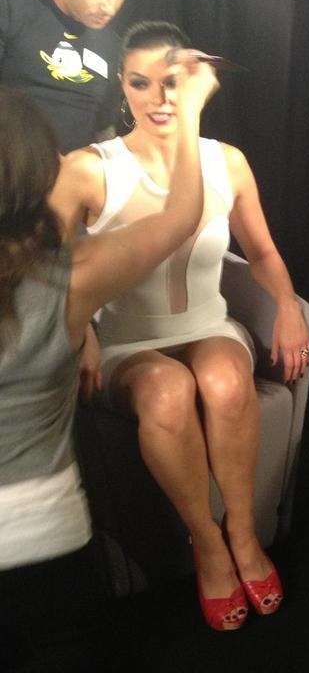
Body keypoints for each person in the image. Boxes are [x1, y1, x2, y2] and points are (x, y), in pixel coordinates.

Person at [50, 20, 309, 631]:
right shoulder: (88, 169)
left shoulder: (227, 162)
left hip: (208, 325)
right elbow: (50, 270)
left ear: (193, 82)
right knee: (168, 391)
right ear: (122, 85)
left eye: (171, 82)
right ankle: (209, 544)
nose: (158, 98)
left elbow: (262, 252)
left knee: (224, 381)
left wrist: (288, 305)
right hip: (127, 343)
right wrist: (82, 332)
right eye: (140, 83)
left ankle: (243, 532)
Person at [0, 53, 214, 670]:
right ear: (40, 172)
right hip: (45, 539)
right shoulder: (72, 277)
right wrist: (191, 108)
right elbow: (181, 216)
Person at [0, 0, 139, 153]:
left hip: (74, 173)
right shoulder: (9, 3)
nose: (109, 8)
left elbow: (104, 129)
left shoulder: (112, 46)